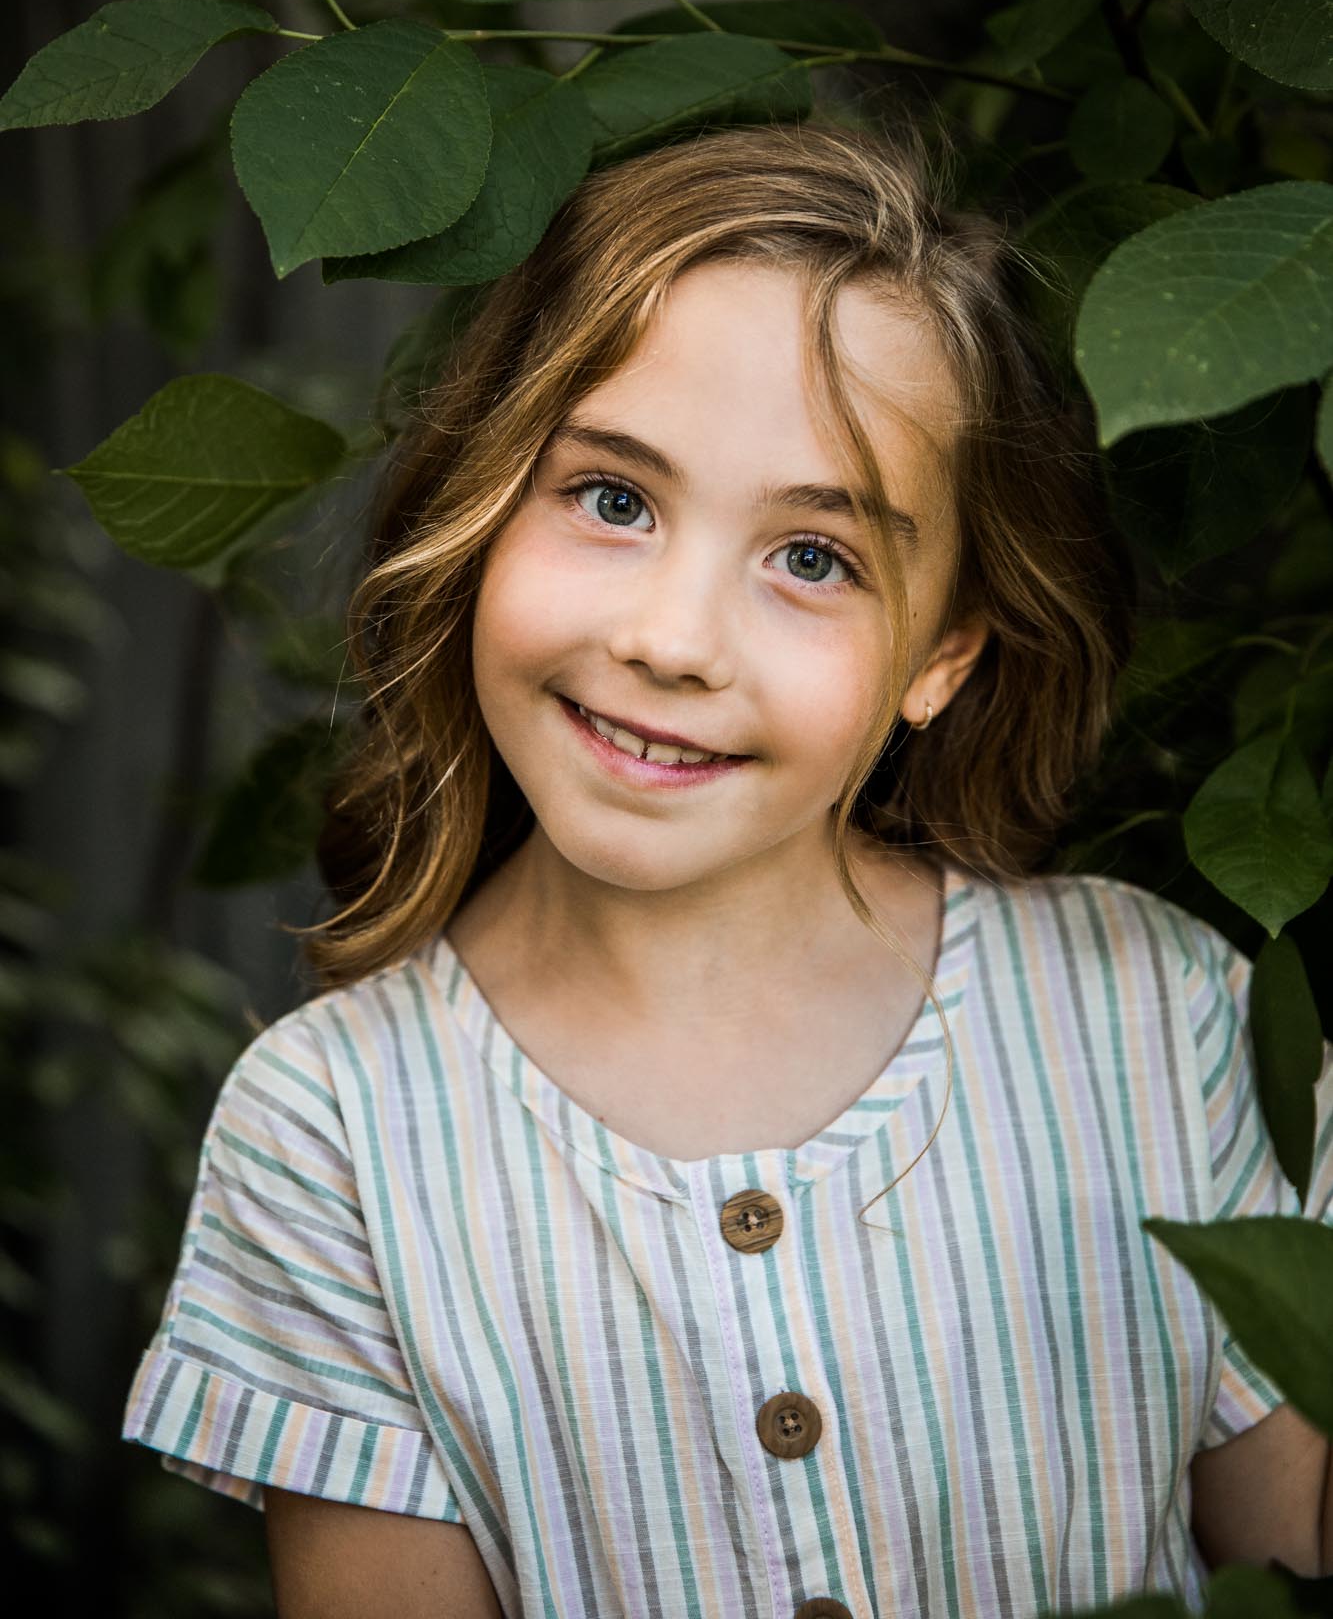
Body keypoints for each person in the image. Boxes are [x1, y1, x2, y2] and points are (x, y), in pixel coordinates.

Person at [121, 119, 1333, 1619]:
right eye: (612, 498)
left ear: (942, 654)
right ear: (484, 504)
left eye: (812, 557)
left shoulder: (1161, 1021)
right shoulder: (332, 1136)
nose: (673, 642)